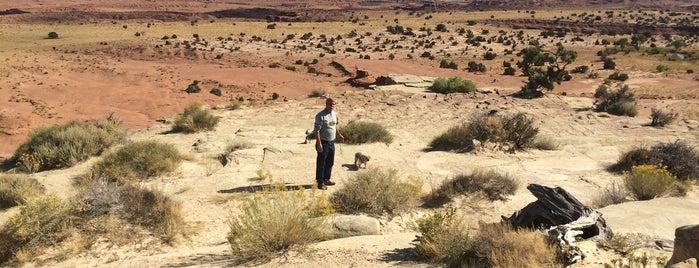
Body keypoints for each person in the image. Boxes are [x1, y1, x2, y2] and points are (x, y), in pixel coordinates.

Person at [313, 98, 345, 190]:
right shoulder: (320, 116)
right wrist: (319, 143)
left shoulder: (334, 114)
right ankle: (320, 182)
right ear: (326, 104)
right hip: (323, 142)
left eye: (333, 105)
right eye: (330, 104)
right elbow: (317, 130)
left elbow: (335, 125)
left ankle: (327, 179)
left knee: (330, 162)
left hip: (332, 142)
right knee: (321, 163)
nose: (332, 106)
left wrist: (339, 135)